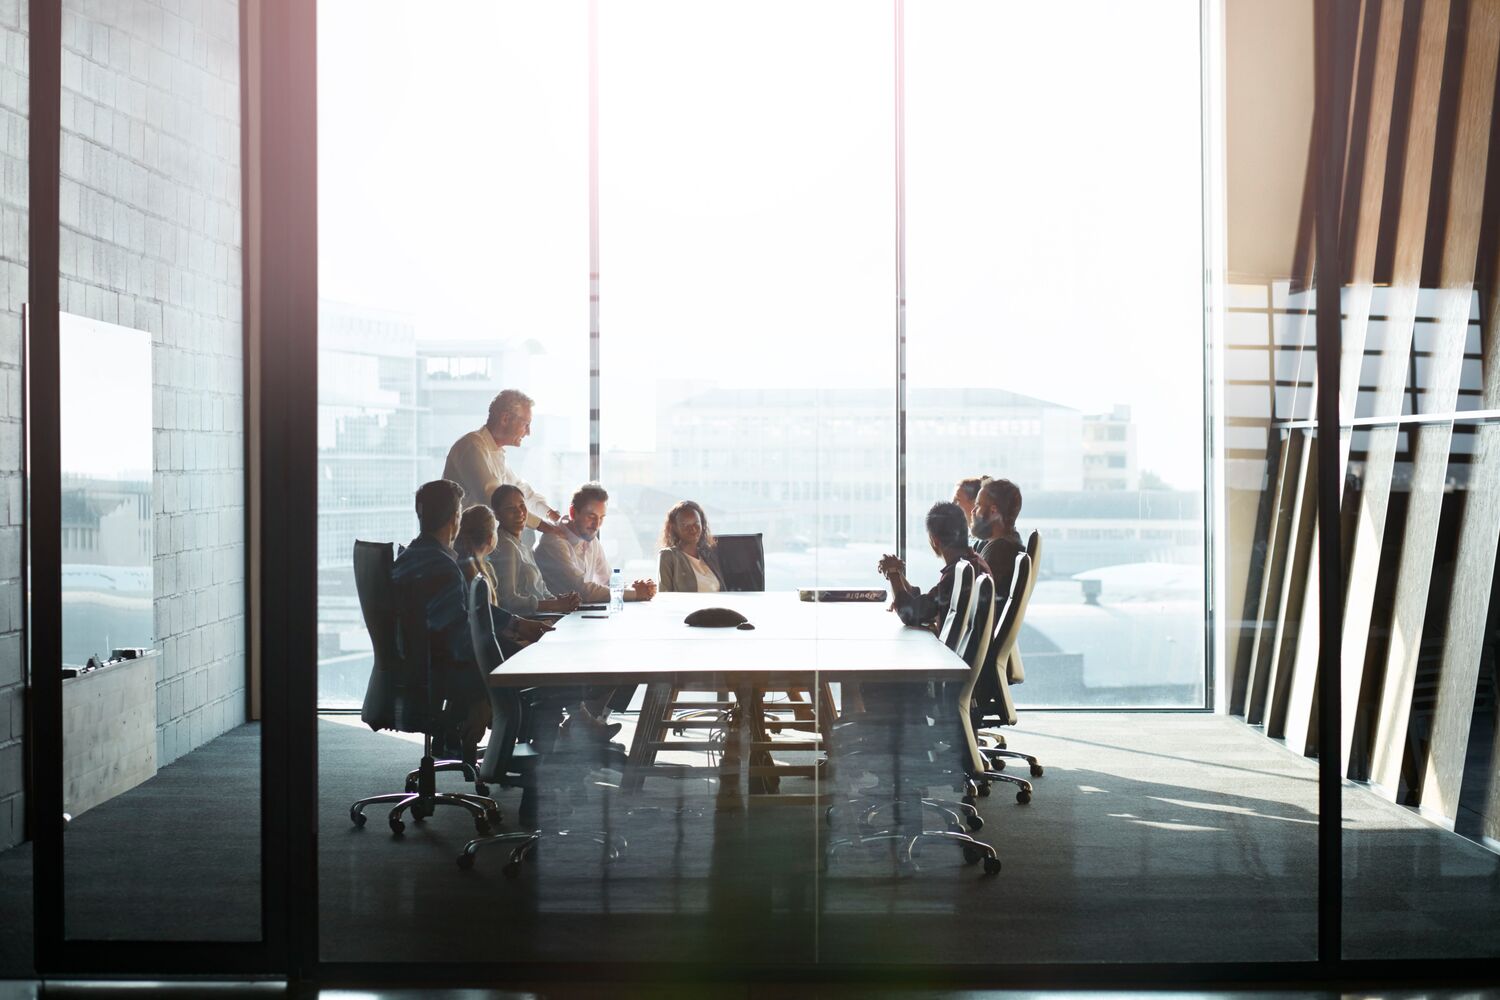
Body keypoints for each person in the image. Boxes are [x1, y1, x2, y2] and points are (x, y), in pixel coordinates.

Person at [392, 480, 551, 760]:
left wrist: (514, 624)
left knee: (521, 652)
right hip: (442, 668)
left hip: (416, 663)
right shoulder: (443, 566)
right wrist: (484, 690)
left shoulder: (412, 556)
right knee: (534, 661)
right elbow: (460, 636)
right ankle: (525, 756)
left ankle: (490, 733)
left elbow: (465, 613)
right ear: (455, 517)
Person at [442, 389, 565, 539]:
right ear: (505, 419)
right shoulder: (471, 445)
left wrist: (553, 516)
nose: (528, 432)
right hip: (463, 545)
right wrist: (544, 527)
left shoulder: (495, 452)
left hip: (480, 542)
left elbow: (522, 492)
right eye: (526, 424)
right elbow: (495, 498)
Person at [877, 501, 991, 634]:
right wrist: (899, 574)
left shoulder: (959, 573)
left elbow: (909, 613)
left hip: (948, 648)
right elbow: (925, 605)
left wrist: (892, 572)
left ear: (935, 540)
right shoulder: (973, 563)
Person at [534, 482, 658, 604]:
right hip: (554, 616)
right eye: (591, 517)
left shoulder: (590, 538)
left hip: (577, 613)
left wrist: (636, 588)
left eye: (601, 517)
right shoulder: (553, 542)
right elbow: (581, 591)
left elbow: (608, 581)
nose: (597, 525)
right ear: (573, 513)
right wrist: (635, 593)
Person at [488, 484, 583, 615]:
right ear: (497, 515)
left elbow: (540, 590)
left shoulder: (520, 545)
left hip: (542, 616)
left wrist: (561, 601)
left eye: (522, 506)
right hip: (529, 622)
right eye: (510, 508)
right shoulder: (506, 546)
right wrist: (555, 604)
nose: (520, 512)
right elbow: (508, 602)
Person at [972, 477, 1024, 599]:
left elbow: (975, 601)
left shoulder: (999, 552)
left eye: (978, 505)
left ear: (993, 511)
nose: (973, 511)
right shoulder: (1009, 543)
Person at [657, 500, 725, 593]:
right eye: (685, 525)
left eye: (696, 523)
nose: (693, 529)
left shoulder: (709, 555)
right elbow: (664, 594)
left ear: (702, 524)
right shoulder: (668, 556)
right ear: (674, 527)